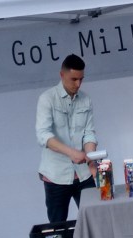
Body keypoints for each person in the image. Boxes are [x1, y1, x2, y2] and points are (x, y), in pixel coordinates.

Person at [36, 54, 99, 223]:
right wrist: (72, 153)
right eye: (74, 79)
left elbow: (89, 134)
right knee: (58, 228)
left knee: (95, 221)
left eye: (81, 79)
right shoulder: (47, 99)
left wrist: (91, 160)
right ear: (61, 75)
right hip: (55, 175)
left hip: (84, 174)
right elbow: (43, 135)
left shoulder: (86, 100)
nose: (78, 84)